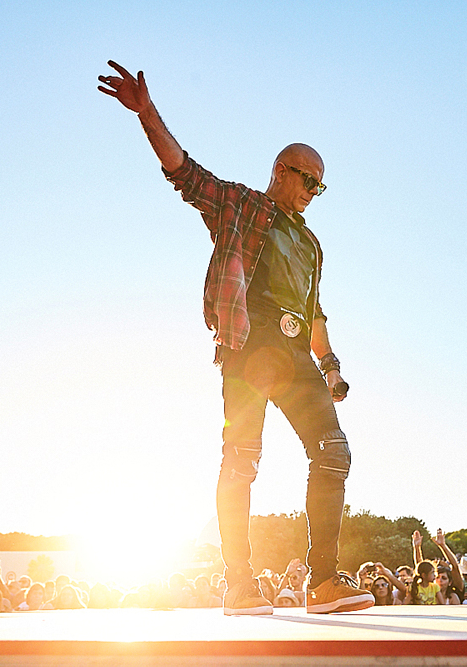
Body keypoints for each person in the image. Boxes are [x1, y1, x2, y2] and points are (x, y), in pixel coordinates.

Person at [98, 61, 372, 616]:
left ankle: (323, 581)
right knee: (242, 459)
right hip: (249, 347)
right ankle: (240, 584)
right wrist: (147, 113)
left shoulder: (313, 246)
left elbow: (316, 313)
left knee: (334, 452)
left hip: (296, 355)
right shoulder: (243, 206)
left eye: (321, 186)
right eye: (306, 179)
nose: (312, 193)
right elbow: (186, 173)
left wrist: (334, 366)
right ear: (281, 170)